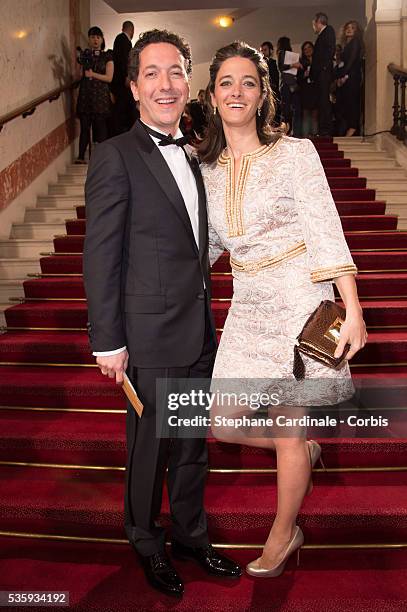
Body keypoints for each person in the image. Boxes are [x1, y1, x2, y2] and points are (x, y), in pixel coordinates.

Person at [83, 28, 241, 599]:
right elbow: (100, 253)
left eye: (175, 71)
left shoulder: (197, 154)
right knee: (150, 449)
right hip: (147, 338)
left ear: (188, 80)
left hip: (199, 331)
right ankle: (146, 540)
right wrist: (108, 341)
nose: (166, 84)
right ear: (133, 87)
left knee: (193, 443)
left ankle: (191, 535)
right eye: (152, 73)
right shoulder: (115, 155)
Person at [199, 41, 367, 578]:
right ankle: (300, 451)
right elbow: (205, 246)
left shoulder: (296, 154)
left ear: (263, 94)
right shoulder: (206, 171)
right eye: (227, 82)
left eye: (248, 82)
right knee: (221, 421)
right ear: (211, 95)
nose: (237, 91)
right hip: (246, 304)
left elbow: (325, 227)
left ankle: (284, 532)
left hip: (298, 296)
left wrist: (353, 307)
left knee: (288, 424)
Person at [75, 26, 114, 163]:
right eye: (92, 37)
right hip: (86, 95)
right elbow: (80, 75)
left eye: (98, 37)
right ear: (89, 39)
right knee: (85, 127)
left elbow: (109, 78)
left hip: (100, 98)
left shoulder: (107, 55)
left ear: (102, 39)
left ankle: (103, 158)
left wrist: (93, 75)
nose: (95, 40)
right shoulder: (85, 54)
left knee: (101, 127)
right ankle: (80, 157)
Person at [335, 20, 364, 137]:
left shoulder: (356, 42)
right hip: (346, 77)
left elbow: (351, 61)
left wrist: (343, 75)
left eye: (352, 28)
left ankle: (353, 127)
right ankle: (350, 127)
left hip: (352, 77)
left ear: (356, 31)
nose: (349, 29)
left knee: (352, 102)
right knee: (346, 102)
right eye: (348, 27)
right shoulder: (346, 45)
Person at [310, 12, 336, 136]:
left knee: (324, 101)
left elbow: (329, 51)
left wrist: (323, 68)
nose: (313, 27)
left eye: (313, 24)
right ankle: (323, 129)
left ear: (318, 22)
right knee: (321, 101)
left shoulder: (328, 31)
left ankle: (326, 129)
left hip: (324, 73)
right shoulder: (322, 35)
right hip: (320, 74)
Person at [110, 20, 138, 135]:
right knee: (122, 108)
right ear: (132, 30)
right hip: (121, 81)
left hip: (120, 81)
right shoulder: (123, 40)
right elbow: (123, 60)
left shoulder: (121, 40)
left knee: (125, 108)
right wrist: (126, 76)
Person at [276, 36, 302, 136]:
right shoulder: (283, 53)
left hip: (287, 83)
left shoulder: (282, 53)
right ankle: (291, 130)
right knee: (292, 109)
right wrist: (293, 65)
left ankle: (288, 130)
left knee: (287, 109)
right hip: (290, 83)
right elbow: (282, 67)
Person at [297, 41, 318, 137]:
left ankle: (314, 134)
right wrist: (303, 75)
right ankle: (306, 137)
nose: (307, 50)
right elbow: (298, 79)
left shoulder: (318, 61)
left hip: (315, 89)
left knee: (315, 113)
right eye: (305, 49)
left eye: (309, 47)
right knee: (306, 114)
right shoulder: (301, 63)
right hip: (305, 90)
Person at [260, 41, 280, 122]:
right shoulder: (260, 64)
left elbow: (275, 79)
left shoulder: (273, 63)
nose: (263, 53)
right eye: (261, 51)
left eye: (265, 50)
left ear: (271, 51)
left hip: (272, 92)